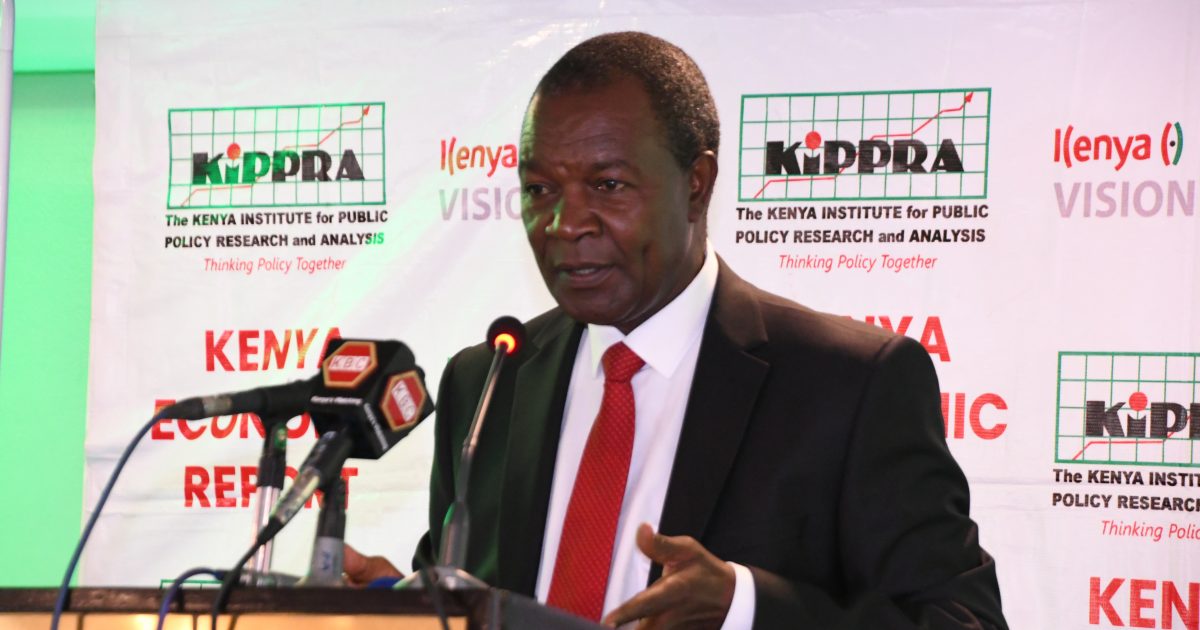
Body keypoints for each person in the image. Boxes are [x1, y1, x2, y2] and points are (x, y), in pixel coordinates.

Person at [346, 32, 1007, 629]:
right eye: (540, 189)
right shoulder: (489, 379)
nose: (565, 224)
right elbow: (478, 591)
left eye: (607, 185)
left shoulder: (851, 384)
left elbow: (961, 621)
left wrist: (745, 607)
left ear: (697, 184)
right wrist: (405, 606)